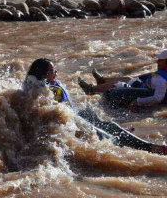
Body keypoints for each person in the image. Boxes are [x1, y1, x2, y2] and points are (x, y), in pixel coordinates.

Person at [23, 58, 167, 155]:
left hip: (74, 116)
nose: (56, 73)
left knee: (102, 121)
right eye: (54, 71)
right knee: (107, 135)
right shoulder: (41, 89)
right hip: (69, 123)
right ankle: (142, 146)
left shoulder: (48, 84)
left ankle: (145, 145)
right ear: (45, 74)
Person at [78, 49, 167, 108]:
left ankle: (91, 90)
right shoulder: (161, 75)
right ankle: (102, 80)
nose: (157, 62)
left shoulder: (162, 80)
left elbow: (158, 98)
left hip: (142, 93)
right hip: (143, 87)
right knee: (129, 79)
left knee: (121, 84)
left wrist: (138, 101)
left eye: (160, 60)